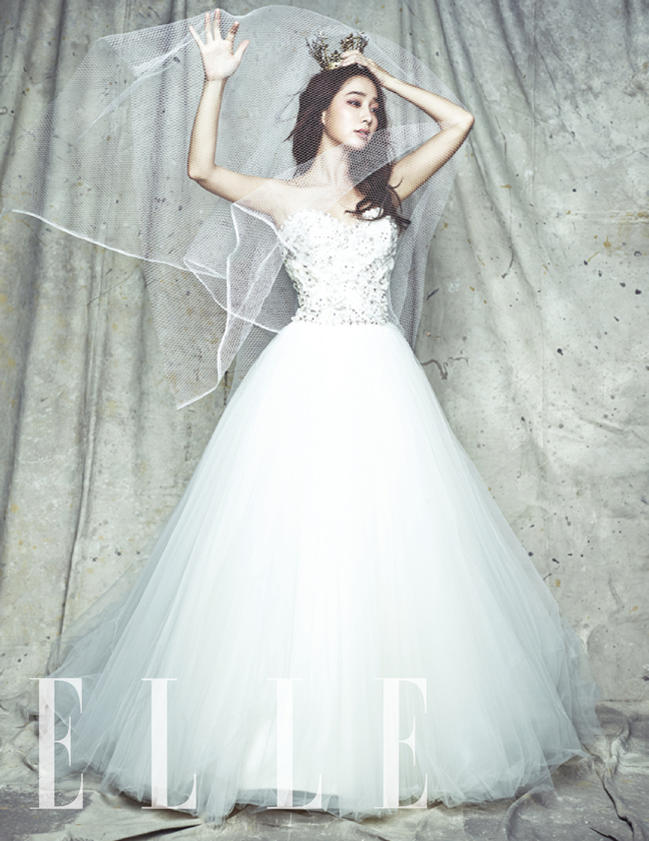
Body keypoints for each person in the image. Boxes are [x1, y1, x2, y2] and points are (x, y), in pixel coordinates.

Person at [11, 6, 603, 829]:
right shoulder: (283, 197)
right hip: (302, 378)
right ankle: (265, 744)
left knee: (385, 543)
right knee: (289, 541)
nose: (369, 115)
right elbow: (201, 168)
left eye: (373, 109)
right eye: (354, 102)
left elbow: (459, 121)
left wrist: (378, 72)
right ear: (320, 109)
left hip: (379, 379)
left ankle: (376, 740)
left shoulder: (384, 190)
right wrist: (215, 81)